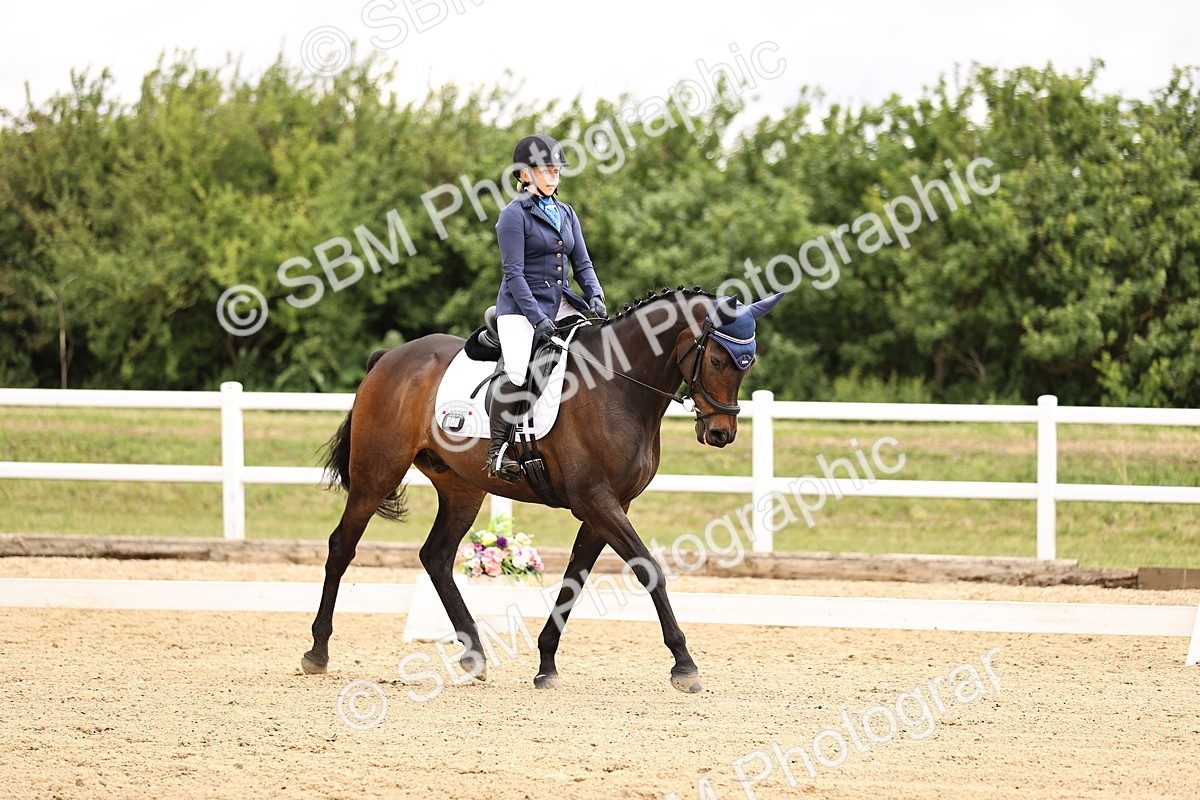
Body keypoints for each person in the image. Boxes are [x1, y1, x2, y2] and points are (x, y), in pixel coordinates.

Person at [486, 133, 607, 480]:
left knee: (598, 349)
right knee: (518, 372)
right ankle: (497, 452)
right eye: (545, 170)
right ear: (524, 174)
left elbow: (582, 263)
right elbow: (513, 273)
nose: (553, 175)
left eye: (556, 170)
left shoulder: (567, 213)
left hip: (562, 303)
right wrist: (537, 317)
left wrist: (595, 294)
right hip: (519, 307)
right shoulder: (512, 216)